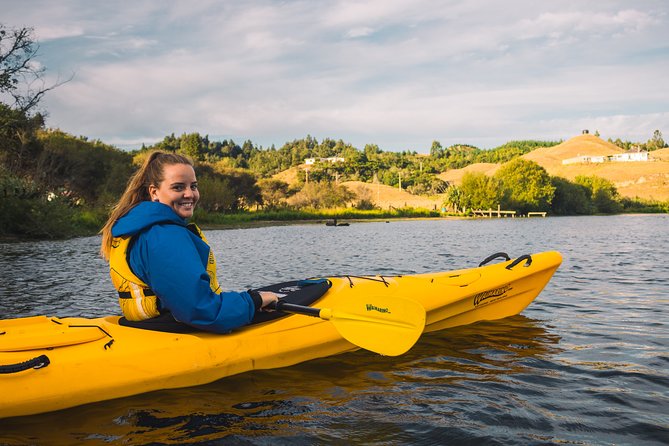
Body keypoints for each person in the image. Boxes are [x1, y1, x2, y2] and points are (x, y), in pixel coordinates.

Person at [100, 151, 278, 332]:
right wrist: (255, 300)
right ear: (154, 192)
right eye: (178, 187)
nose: (189, 194)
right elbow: (202, 310)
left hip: (148, 327)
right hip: (171, 331)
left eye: (193, 186)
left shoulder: (142, 227)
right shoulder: (163, 236)